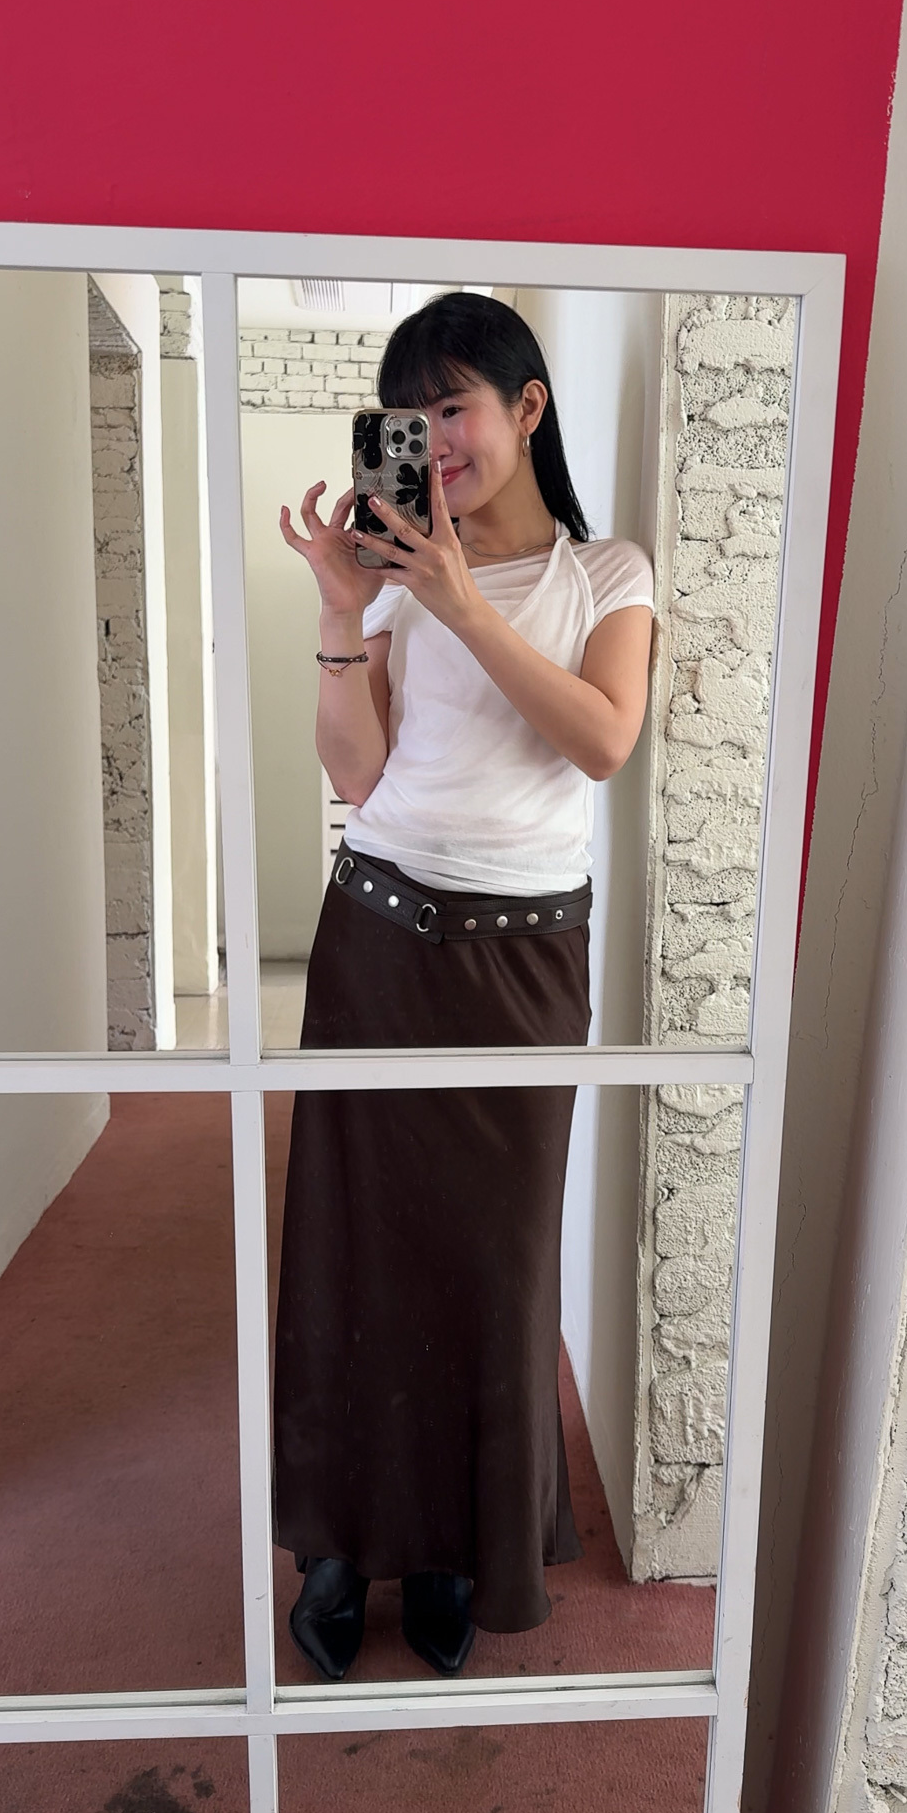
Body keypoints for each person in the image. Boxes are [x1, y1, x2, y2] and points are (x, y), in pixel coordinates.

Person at [273, 292, 654, 1681]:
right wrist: (344, 609)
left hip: (525, 961)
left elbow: (601, 740)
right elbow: (358, 772)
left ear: (526, 408)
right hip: (378, 935)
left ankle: (451, 1546)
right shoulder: (393, 575)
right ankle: (339, 1543)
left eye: (454, 407)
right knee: (353, 1249)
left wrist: (461, 604)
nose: (433, 440)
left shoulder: (606, 574)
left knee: (494, 1265)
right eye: (410, 416)